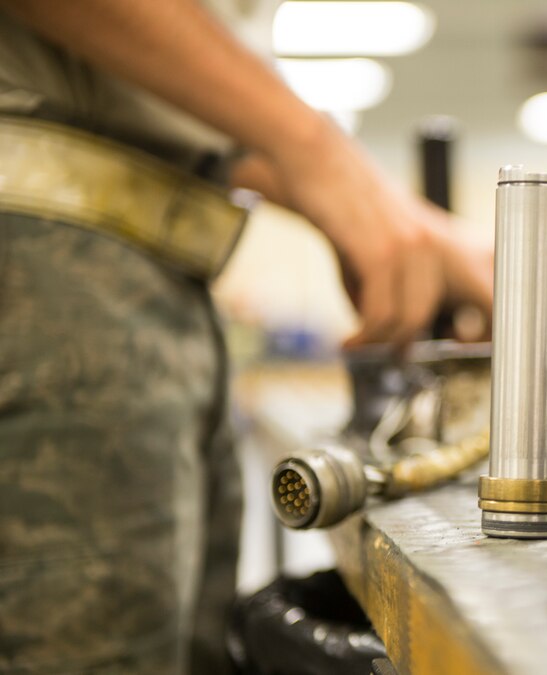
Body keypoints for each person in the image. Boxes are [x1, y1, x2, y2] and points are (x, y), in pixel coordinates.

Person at [0, 1, 493, 673]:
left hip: (147, 269)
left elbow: (148, 107)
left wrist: (384, 208)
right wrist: (315, 149)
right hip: (45, 270)